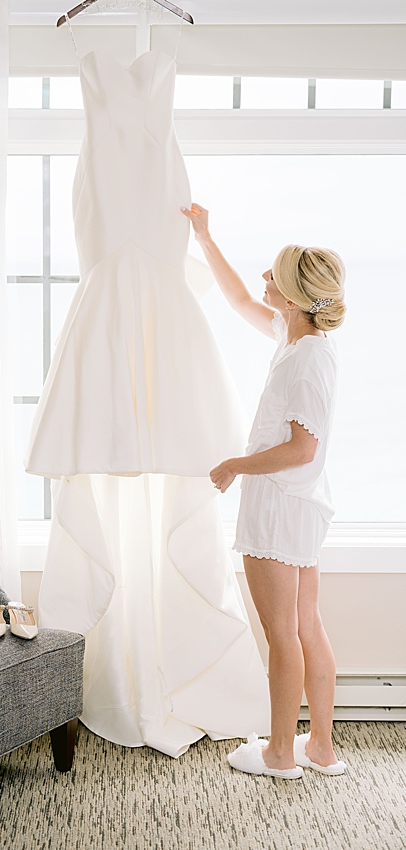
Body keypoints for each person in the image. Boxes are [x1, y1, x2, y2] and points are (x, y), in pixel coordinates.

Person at [183, 202, 348, 780]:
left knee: (284, 633)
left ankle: (281, 753)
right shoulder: (300, 341)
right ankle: (320, 749)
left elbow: (303, 448)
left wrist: (236, 464)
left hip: (281, 505)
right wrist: (205, 238)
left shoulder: (306, 363)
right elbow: (237, 301)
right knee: (306, 626)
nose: (264, 281)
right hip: (302, 506)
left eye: (273, 276)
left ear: (298, 296)